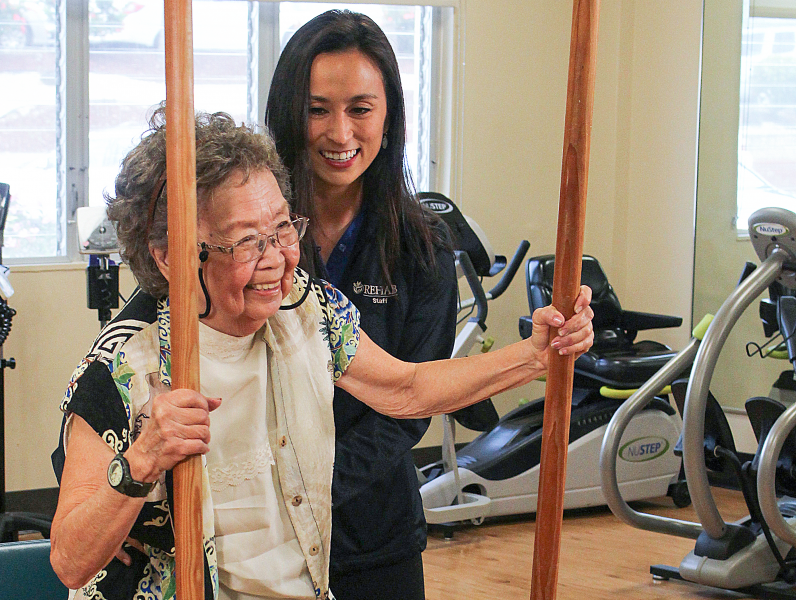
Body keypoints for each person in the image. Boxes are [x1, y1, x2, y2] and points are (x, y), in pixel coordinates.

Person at [49, 107, 594, 600]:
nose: (277, 259)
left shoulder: (307, 311)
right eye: (246, 241)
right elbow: (70, 561)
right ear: (169, 256)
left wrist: (534, 355)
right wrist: (143, 459)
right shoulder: (123, 369)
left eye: (283, 228)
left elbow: (406, 389)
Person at [264, 10, 457, 599]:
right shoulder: (246, 234)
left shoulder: (423, 247)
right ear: (288, 113)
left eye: (360, 109)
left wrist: (304, 483)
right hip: (258, 538)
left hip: (375, 540)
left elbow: (411, 401)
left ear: (390, 115)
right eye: (318, 108)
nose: (340, 134)